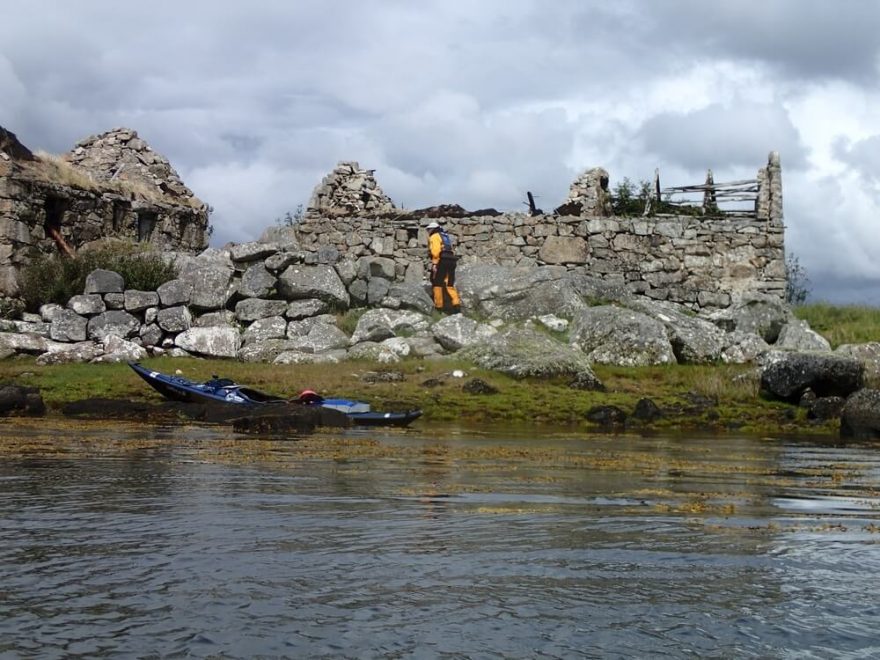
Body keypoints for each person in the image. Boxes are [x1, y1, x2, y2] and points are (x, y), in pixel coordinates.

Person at [426, 220, 461, 314]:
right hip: (452, 260)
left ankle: (438, 307)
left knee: (437, 283)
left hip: (442, 261)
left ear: (432, 229)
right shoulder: (445, 236)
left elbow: (436, 251)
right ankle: (456, 305)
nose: (428, 232)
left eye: (428, 229)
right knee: (449, 284)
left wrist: (435, 264)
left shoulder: (434, 236)